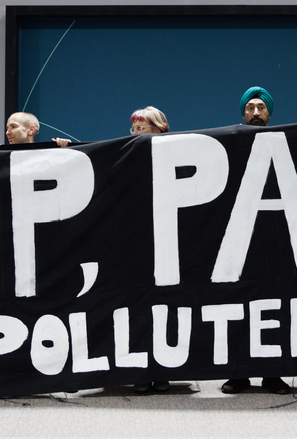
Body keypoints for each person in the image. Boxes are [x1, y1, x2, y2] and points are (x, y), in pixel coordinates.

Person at [221, 86, 291, 396]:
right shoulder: (229, 145)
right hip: (237, 242)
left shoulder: (287, 145)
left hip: (274, 238)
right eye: (250, 108)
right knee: (237, 306)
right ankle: (238, 374)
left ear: (270, 113)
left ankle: (272, 375)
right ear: (243, 113)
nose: (255, 113)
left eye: (261, 108)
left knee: (275, 307)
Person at [128, 106, 170, 394]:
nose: (135, 134)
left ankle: (164, 371)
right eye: (133, 130)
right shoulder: (124, 157)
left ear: (159, 129)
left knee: (167, 308)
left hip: (169, 246)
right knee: (139, 309)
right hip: (138, 246)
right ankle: (142, 372)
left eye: (141, 129)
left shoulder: (178, 156)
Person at [0, 112, 70, 150]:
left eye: (13, 126)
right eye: (7, 128)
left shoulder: (50, 154)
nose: (7, 133)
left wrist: (65, 149)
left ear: (31, 130)